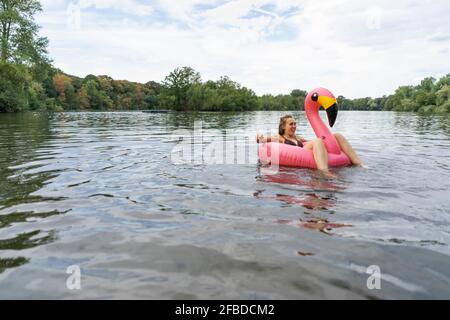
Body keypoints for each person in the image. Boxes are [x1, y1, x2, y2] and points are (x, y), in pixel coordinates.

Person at [256, 115, 364, 175]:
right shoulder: (279, 137)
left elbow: (309, 143)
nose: (294, 126)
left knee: (337, 136)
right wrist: (259, 137)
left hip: (304, 153)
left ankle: (359, 163)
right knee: (317, 141)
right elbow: (262, 140)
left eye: (295, 124)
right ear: (283, 127)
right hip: (296, 155)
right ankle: (324, 172)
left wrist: (326, 142)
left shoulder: (298, 138)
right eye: (291, 124)